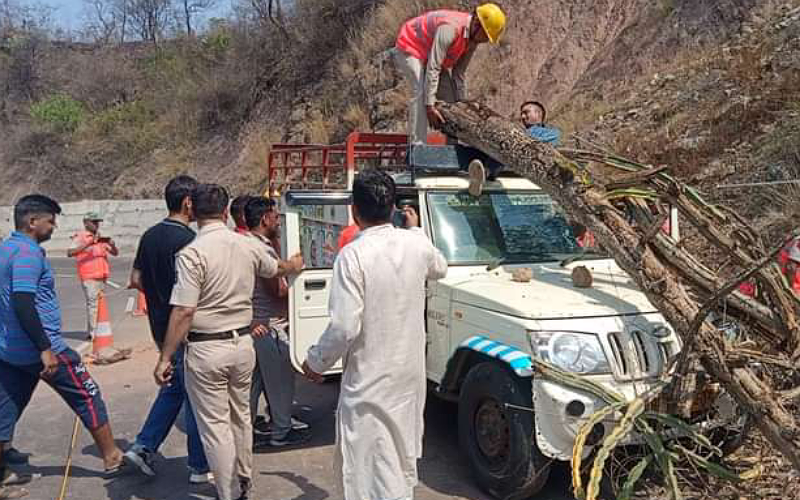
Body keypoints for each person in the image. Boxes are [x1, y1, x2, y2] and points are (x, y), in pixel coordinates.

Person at [302, 170, 448, 500]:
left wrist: (315, 362)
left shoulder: (353, 255)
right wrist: (416, 231)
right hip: (408, 375)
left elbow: (343, 327)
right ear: (394, 205)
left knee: (367, 467)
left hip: (369, 379)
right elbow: (441, 267)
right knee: (398, 456)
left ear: (354, 210)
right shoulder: (415, 244)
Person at [153, 184, 303, 500]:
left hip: (206, 348)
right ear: (225, 212)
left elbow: (183, 310)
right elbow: (275, 267)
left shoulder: (192, 253)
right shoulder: (245, 245)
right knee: (241, 417)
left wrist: (165, 357)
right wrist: (295, 265)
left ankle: (230, 491)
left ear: (191, 211)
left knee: (215, 425)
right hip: (242, 344)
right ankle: (245, 476)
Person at [0, 195, 127, 500]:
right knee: (87, 395)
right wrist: (45, 347)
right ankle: (112, 457)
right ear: (32, 222)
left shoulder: (6, 247)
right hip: (43, 348)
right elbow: (23, 301)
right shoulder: (28, 254)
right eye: (50, 220)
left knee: (6, 408)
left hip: (10, 349)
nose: (54, 226)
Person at [123, 175, 211, 484]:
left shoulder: (149, 236)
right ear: (189, 202)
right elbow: (192, 298)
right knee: (197, 397)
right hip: (186, 331)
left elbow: (135, 279)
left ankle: (143, 446)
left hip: (161, 329)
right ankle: (200, 466)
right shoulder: (188, 242)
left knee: (176, 389)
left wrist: (160, 296)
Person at [244, 197, 310, 447]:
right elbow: (276, 290)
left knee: (256, 383)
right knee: (281, 382)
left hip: (255, 323)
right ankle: (282, 431)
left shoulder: (246, 243)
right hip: (270, 325)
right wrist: (296, 278)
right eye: (275, 217)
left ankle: (246, 431)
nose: (278, 223)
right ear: (264, 219)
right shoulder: (263, 249)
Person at [394, 3, 506, 145]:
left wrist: (462, 107)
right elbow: (434, 67)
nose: (483, 42)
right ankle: (417, 146)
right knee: (421, 92)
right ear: (477, 23)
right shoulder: (450, 28)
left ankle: (453, 145)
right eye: (485, 36)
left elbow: (459, 74)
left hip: (430, 57)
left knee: (450, 99)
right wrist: (430, 107)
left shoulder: (473, 39)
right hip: (411, 46)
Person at [66, 212, 118, 340]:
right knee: (93, 304)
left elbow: (115, 253)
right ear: (86, 222)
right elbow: (70, 252)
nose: (96, 225)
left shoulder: (100, 238)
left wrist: (112, 244)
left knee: (100, 304)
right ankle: (93, 332)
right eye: (94, 222)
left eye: (98, 222)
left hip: (102, 275)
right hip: (89, 276)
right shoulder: (81, 237)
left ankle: (98, 329)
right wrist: (88, 244)